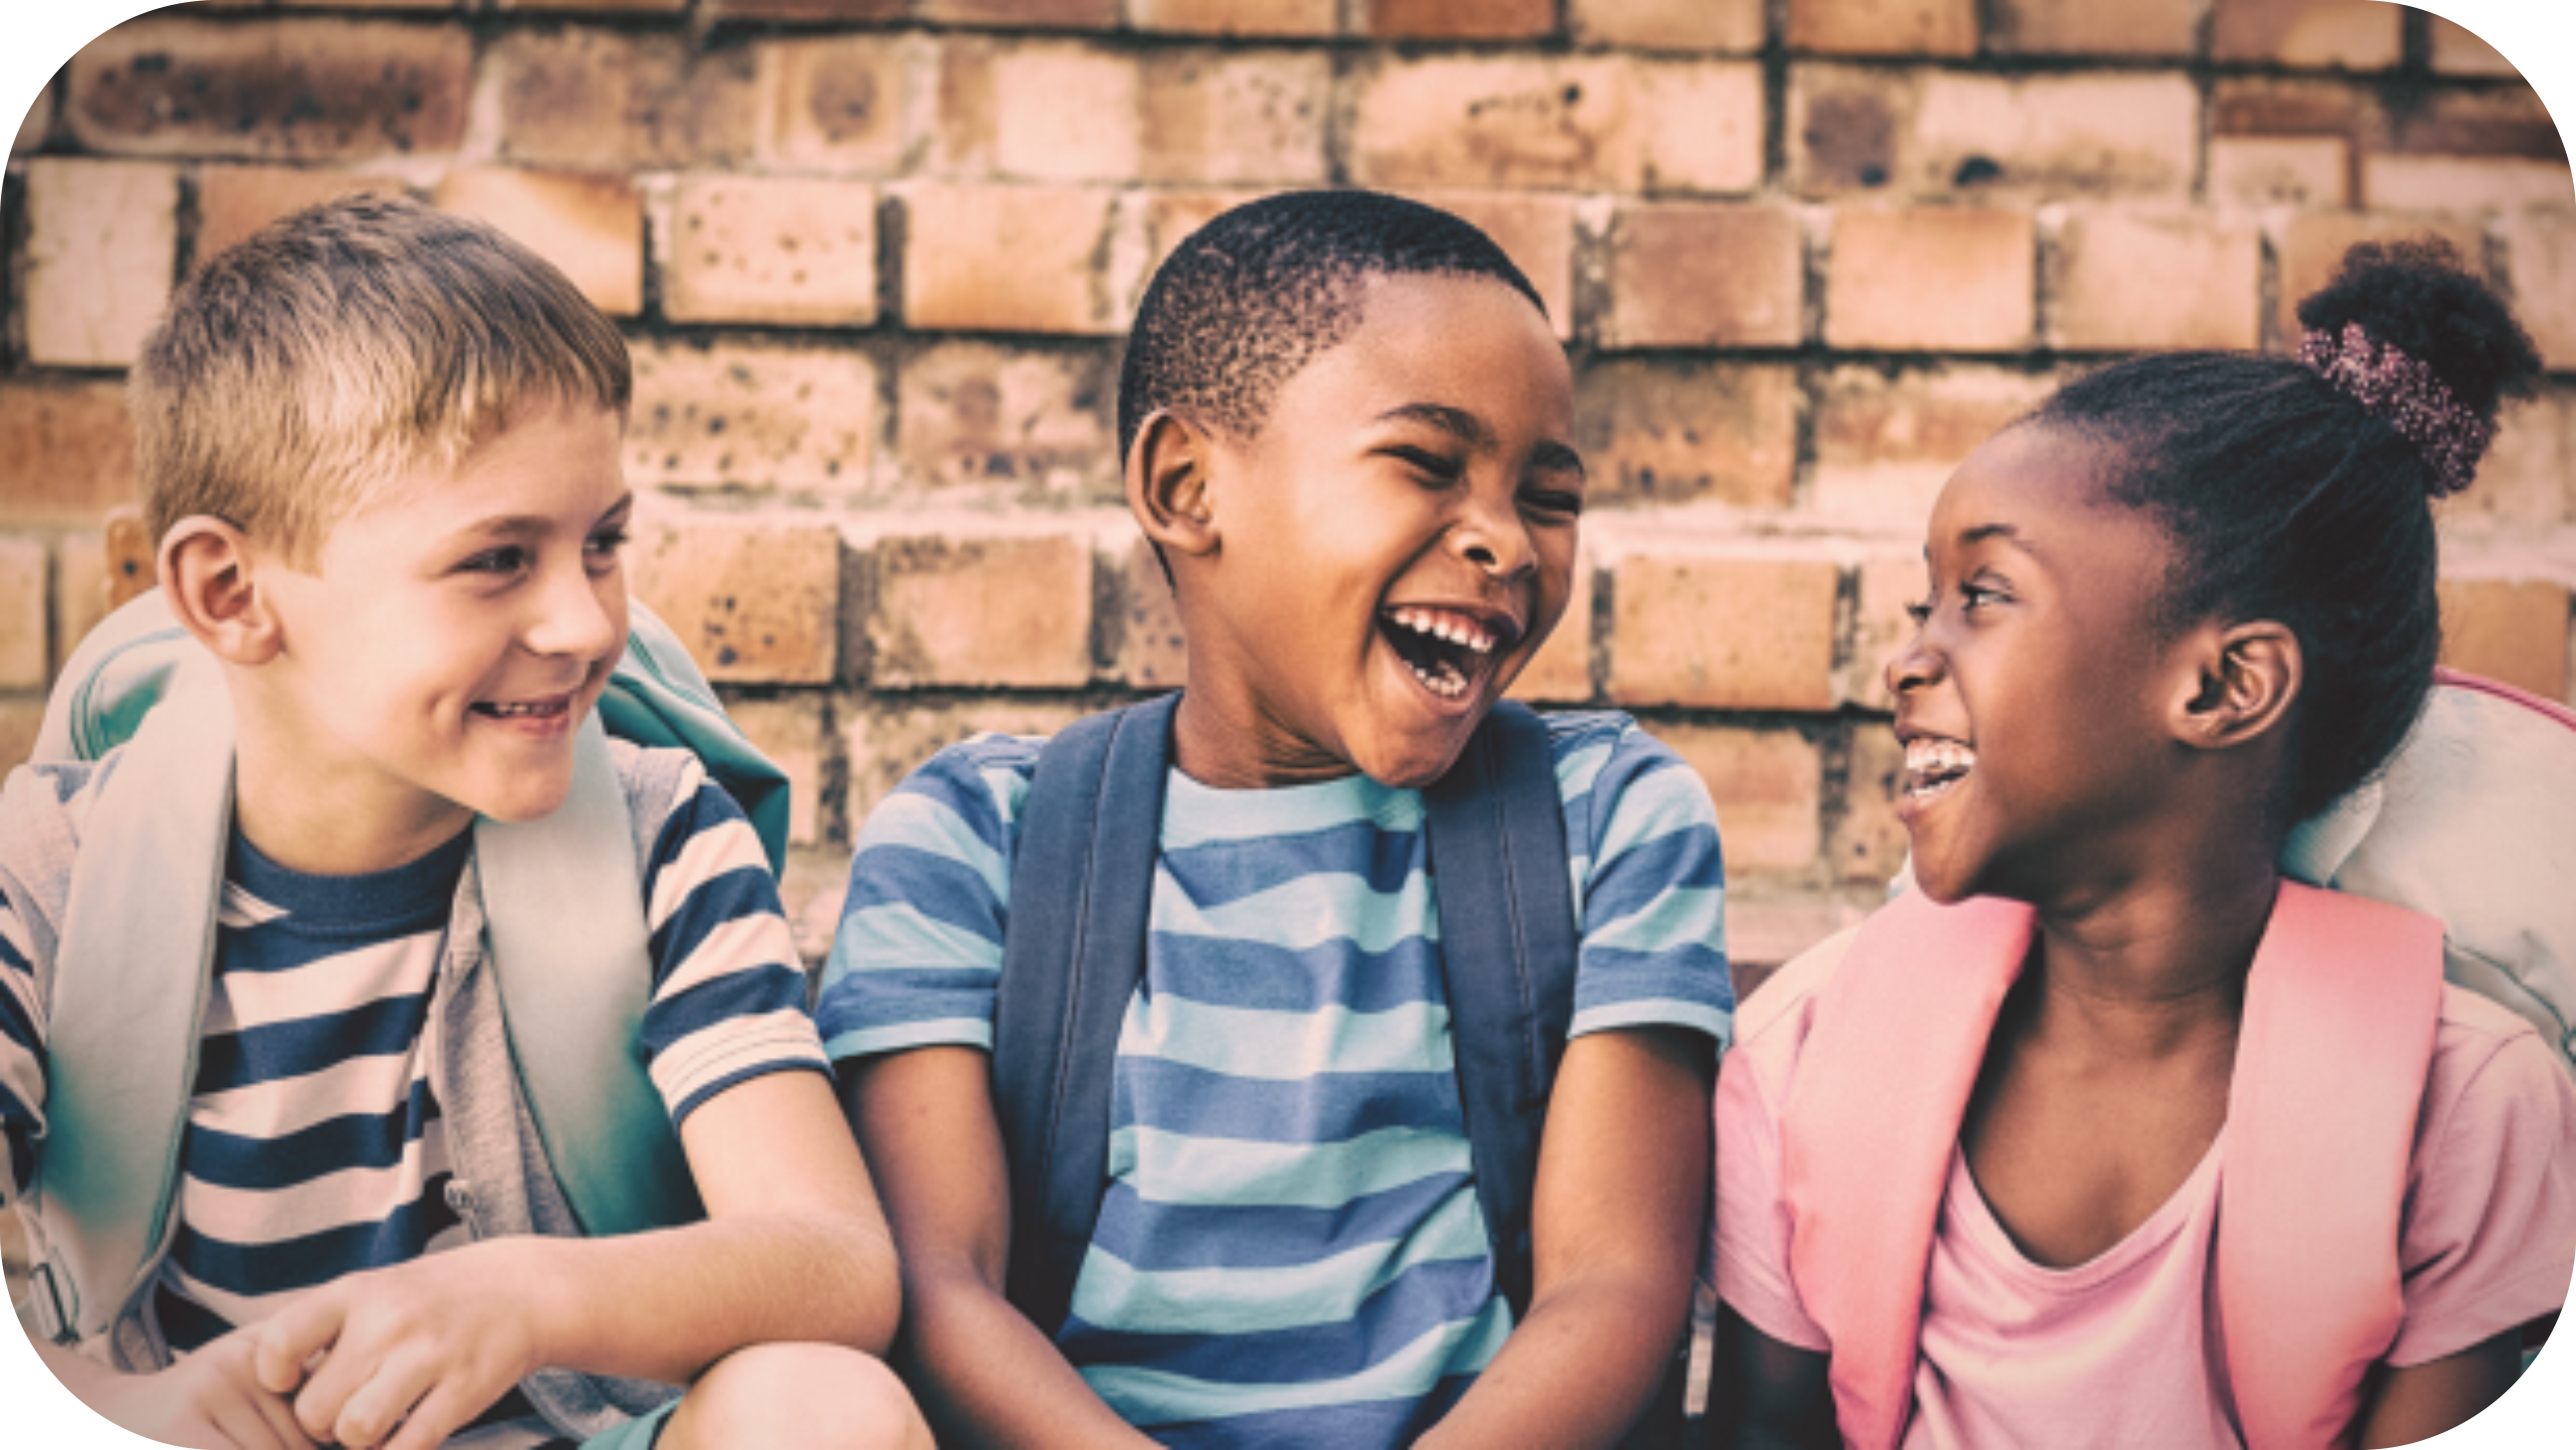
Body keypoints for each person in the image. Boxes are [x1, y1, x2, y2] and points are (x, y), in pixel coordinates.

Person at [0, 195, 927, 1450]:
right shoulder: (46, 869)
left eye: (602, 544)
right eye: (498, 558)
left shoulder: (665, 837)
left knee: (827, 1411)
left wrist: (529, 1296)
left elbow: (836, 1262)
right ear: (230, 593)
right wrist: (110, 1405)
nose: (589, 624)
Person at [819, 189, 1733, 1447]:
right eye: (1426, 463)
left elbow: (1616, 1287)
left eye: (1549, 494)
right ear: (1187, 485)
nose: (1506, 542)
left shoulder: (1608, 819)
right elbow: (939, 1287)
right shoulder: (976, 839)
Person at [1709, 239, 2576, 1450]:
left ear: (2226, 685)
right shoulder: (1802, 1054)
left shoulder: (2468, 1104)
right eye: (1926, 603)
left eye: (1985, 594)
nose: (1910, 658)